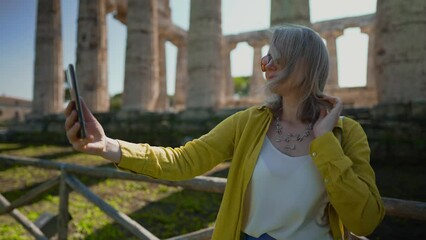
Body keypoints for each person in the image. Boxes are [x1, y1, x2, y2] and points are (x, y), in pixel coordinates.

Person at [64, 24, 385, 240]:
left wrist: (325, 140)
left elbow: (365, 220)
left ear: (303, 64)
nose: (265, 62)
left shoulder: (347, 134)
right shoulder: (248, 122)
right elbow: (183, 161)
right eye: (265, 55)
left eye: (274, 54)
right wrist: (110, 146)